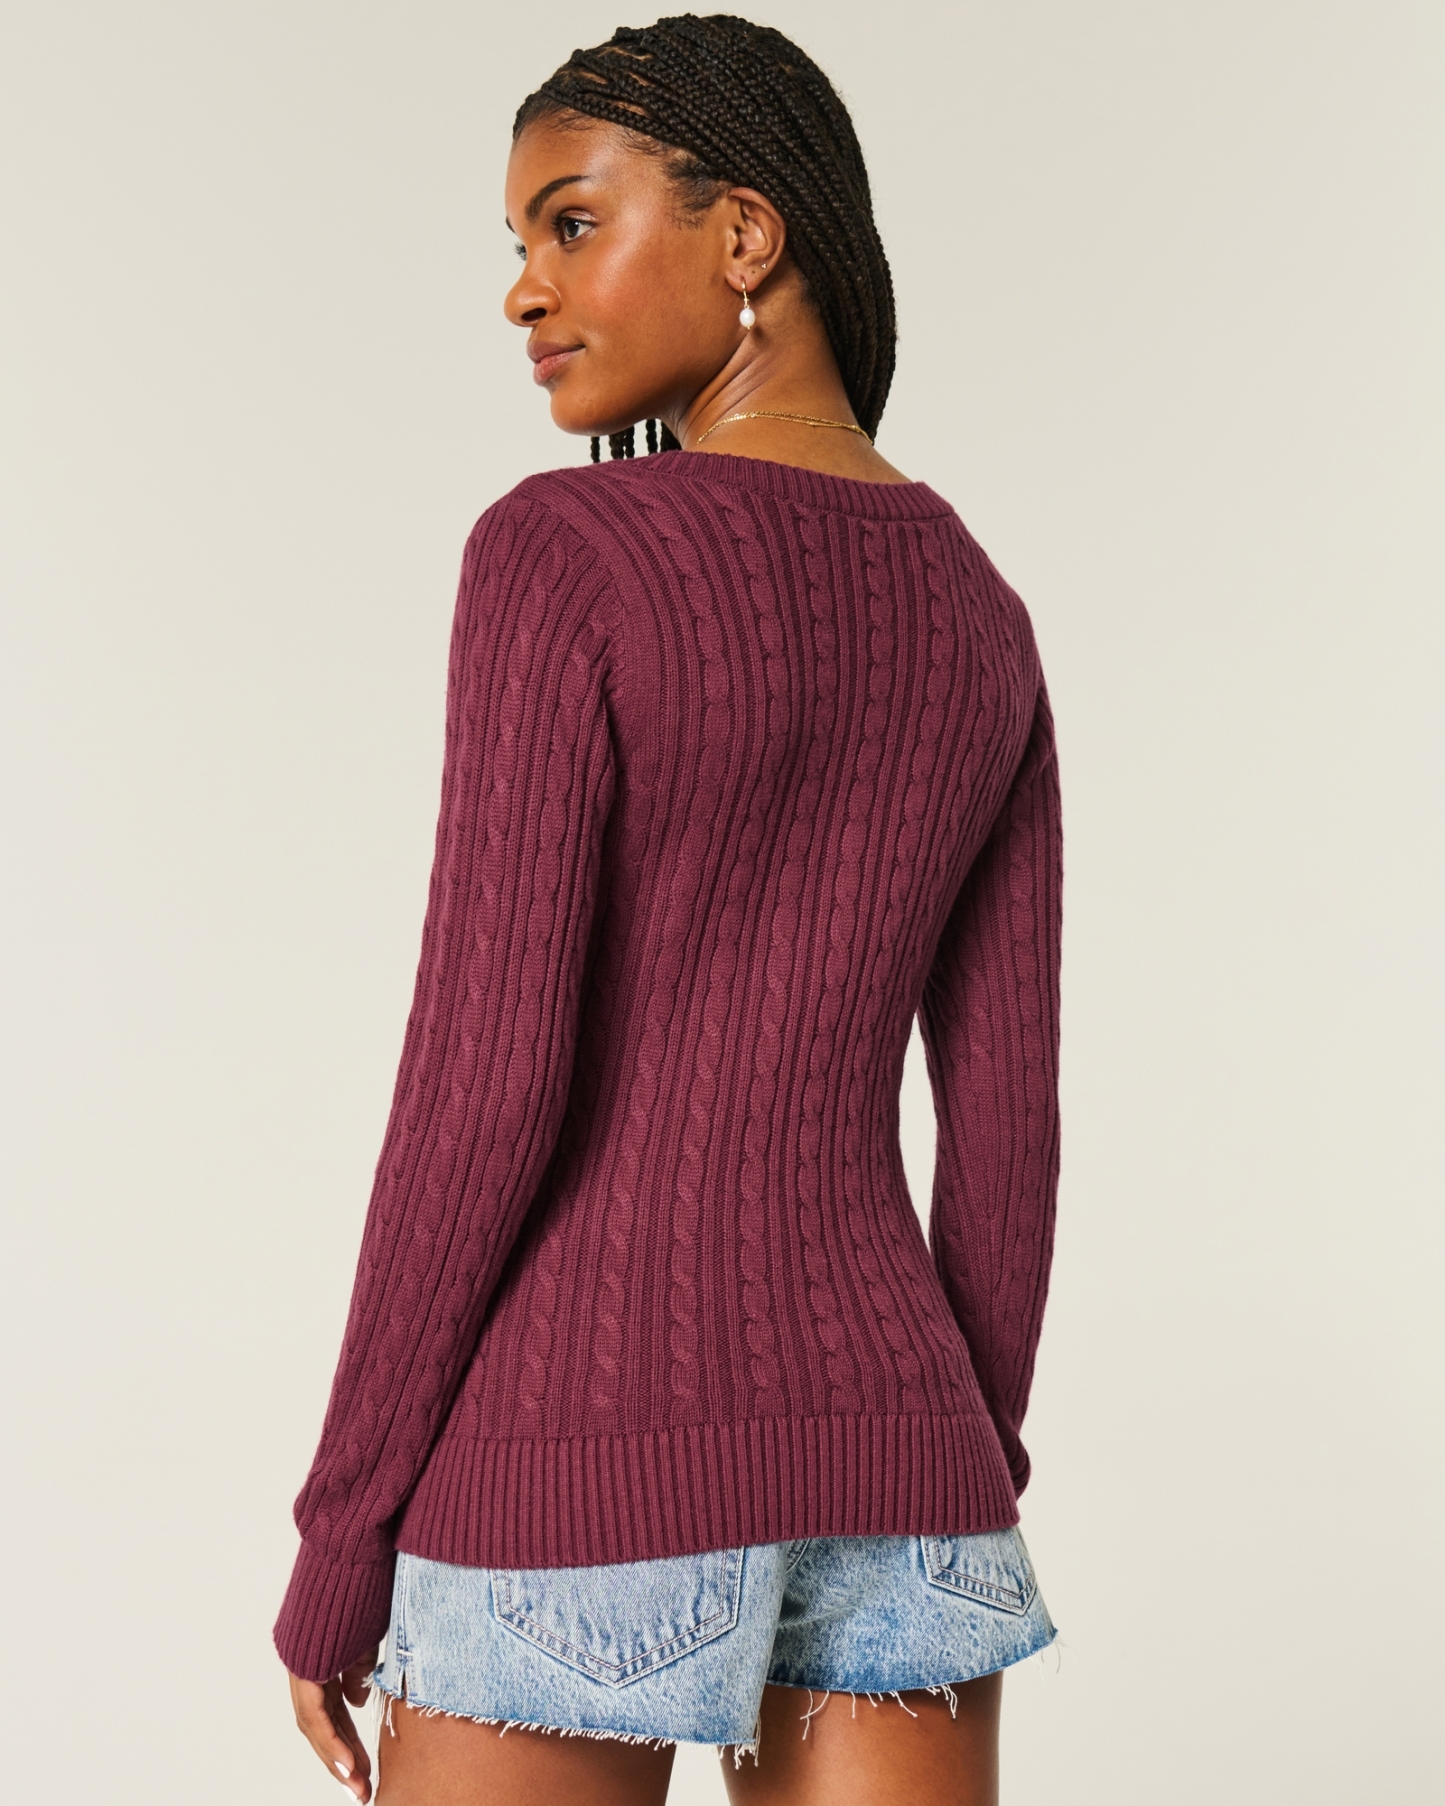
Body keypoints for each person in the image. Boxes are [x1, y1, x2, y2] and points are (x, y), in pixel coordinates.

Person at [276, 15, 1063, 1804]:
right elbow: (1007, 1131)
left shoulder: (565, 551)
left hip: (576, 1444)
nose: (524, 291)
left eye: (570, 223)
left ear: (744, 235)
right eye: (519, 243)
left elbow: (484, 1086)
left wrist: (342, 1533)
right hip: (908, 1463)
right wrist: (958, 1468)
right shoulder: (979, 609)